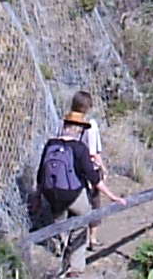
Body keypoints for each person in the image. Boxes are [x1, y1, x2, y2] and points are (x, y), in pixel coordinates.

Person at [34, 110, 121, 258]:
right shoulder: (79, 148)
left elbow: (41, 173)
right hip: (73, 194)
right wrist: (112, 196)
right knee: (83, 218)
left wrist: (37, 196)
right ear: (78, 129)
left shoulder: (50, 144)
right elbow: (93, 177)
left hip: (51, 193)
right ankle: (75, 262)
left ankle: (60, 248)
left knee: (59, 223)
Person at [64, 90, 114, 253]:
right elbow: (93, 152)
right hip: (88, 168)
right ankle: (91, 238)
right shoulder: (90, 125)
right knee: (94, 203)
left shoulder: (64, 121)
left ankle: (67, 240)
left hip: (69, 168)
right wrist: (103, 168)